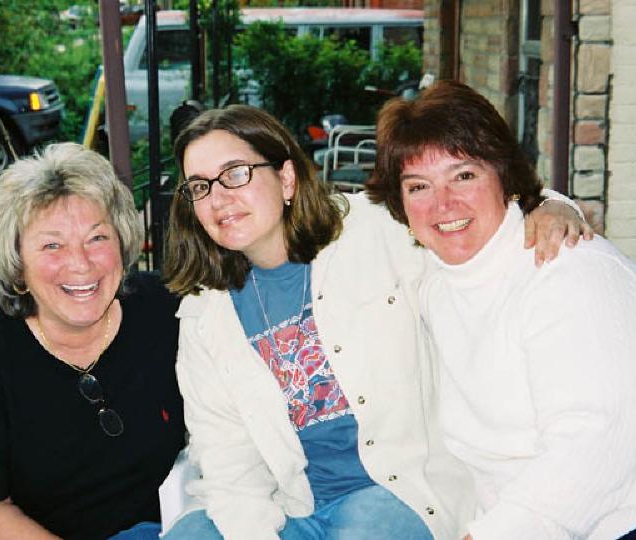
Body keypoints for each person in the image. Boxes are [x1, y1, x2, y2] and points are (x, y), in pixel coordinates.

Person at [160, 104, 588, 539]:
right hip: (292, 507)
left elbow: (466, 221)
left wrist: (547, 204)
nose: (219, 198)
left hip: (399, 493)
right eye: (200, 186)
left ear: (286, 177)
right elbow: (228, 460)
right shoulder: (203, 313)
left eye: (236, 174)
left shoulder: (373, 228)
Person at [367, 80, 636, 539]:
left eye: (464, 175)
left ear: (503, 175)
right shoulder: (436, 277)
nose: (444, 204)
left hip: (617, 522)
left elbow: (589, 449)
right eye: (419, 186)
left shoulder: (568, 272)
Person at [0, 142, 186, 540]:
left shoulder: (167, 313)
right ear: (18, 264)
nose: (81, 264)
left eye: (97, 238)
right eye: (52, 245)